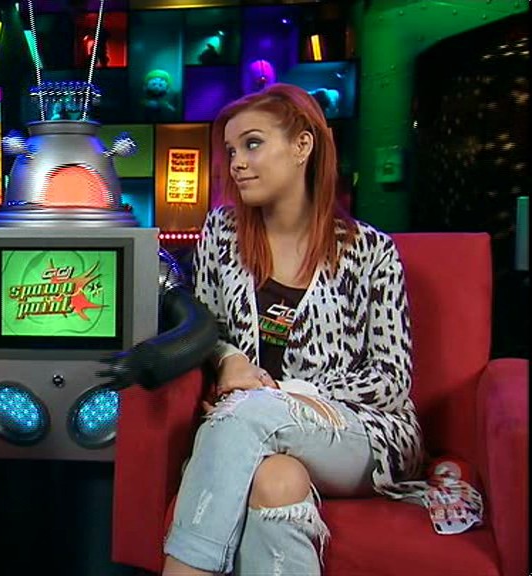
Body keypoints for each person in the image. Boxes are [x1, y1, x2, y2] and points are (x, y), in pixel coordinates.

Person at [162, 83, 482, 575]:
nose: (236, 163)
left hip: (366, 433)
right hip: (255, 429)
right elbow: (208, 329)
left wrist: (286, 395)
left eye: (252, 144)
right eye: (231, 150)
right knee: (277, 481)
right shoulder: (221, 234)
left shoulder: (370, 251)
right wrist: (229, 360)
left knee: (250, 413)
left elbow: (391, 380)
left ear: (302, 146)